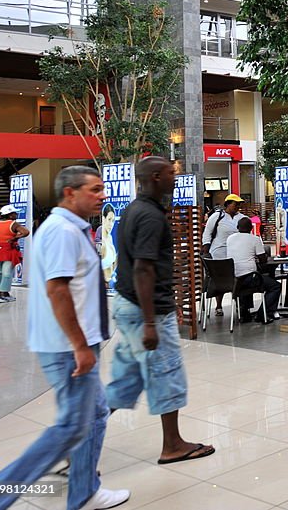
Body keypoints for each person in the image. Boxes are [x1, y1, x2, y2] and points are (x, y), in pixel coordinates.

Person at [0, 167, 129, 510]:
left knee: (93, 417)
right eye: (94, 190)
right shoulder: (63, 231)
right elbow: (58, 290)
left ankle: (84, 491)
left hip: (73, 343)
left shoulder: (70, 229)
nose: (102, 195)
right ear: (70, 193)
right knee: (70, 428)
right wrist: (80, 346)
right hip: (66, 346)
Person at [106, 156, 215, 465]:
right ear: (155, 177)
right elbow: (143, 269)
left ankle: (79, 441)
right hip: (147, 312)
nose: (175, 177)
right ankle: (173, 445)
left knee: (123, 384)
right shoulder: (150, 217)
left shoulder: (132, 210)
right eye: (170, 173)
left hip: (128, 306)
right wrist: (151, 322)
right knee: (167, 375)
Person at [227, 217, 281, 324]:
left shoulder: (230, 238)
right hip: (249, 278)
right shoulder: (254, 239)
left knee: (250, 275)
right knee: (275, 286)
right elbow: (263, 259)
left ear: (237, 227)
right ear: (251, 228)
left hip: (234, 278)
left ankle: (245, 312)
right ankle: (263, 314)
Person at [201, 193, 244, 316]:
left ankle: (240, 306)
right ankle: (218, 306)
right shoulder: (217, 216)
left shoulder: (241, 217)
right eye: (235, 204)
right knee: (220, 280)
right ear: (228, 204)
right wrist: (206, 249)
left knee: (236, 279)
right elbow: (207, 233)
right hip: (218, 254)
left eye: (239, 205)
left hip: (235, 254)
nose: (237, 207)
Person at [0, 204, 29, 303]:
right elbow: (26, 232)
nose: (16, 215)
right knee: (7, 273)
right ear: (10, 215)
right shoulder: (13, 223)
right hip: (8, 251)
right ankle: (4, 294)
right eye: (14, 213)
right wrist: (14, 238)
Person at [98, 203, 116, 287]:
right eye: (109, 219)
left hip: (112, 285)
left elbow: (113, 265)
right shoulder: (101, 242)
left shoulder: (110, 238)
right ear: (103, 219)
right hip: (104, 287)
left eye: (113, 221)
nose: (111, 224)